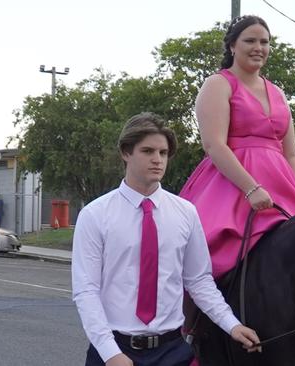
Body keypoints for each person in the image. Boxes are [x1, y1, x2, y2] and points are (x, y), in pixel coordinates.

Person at [72, 112, 261, 366]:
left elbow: (199, 281)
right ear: (126, 153)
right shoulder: (95, 215)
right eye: (147, 151)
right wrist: (110, 352)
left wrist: (232, 325)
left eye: (163, 153)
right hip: (114, 350)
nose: (157, 160)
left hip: (172, 351)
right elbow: (86, 291)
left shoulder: (185, 212)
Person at [179, 15, 295, 279]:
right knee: (199, 257)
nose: (259, 47)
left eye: (265, 42)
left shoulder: (278, 93)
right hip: (232, 186)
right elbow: (214, 145)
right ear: (233, 45)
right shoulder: (218, 84)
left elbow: (291, 153)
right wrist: (251, 188)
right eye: (250, 40)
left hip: (282, 186)